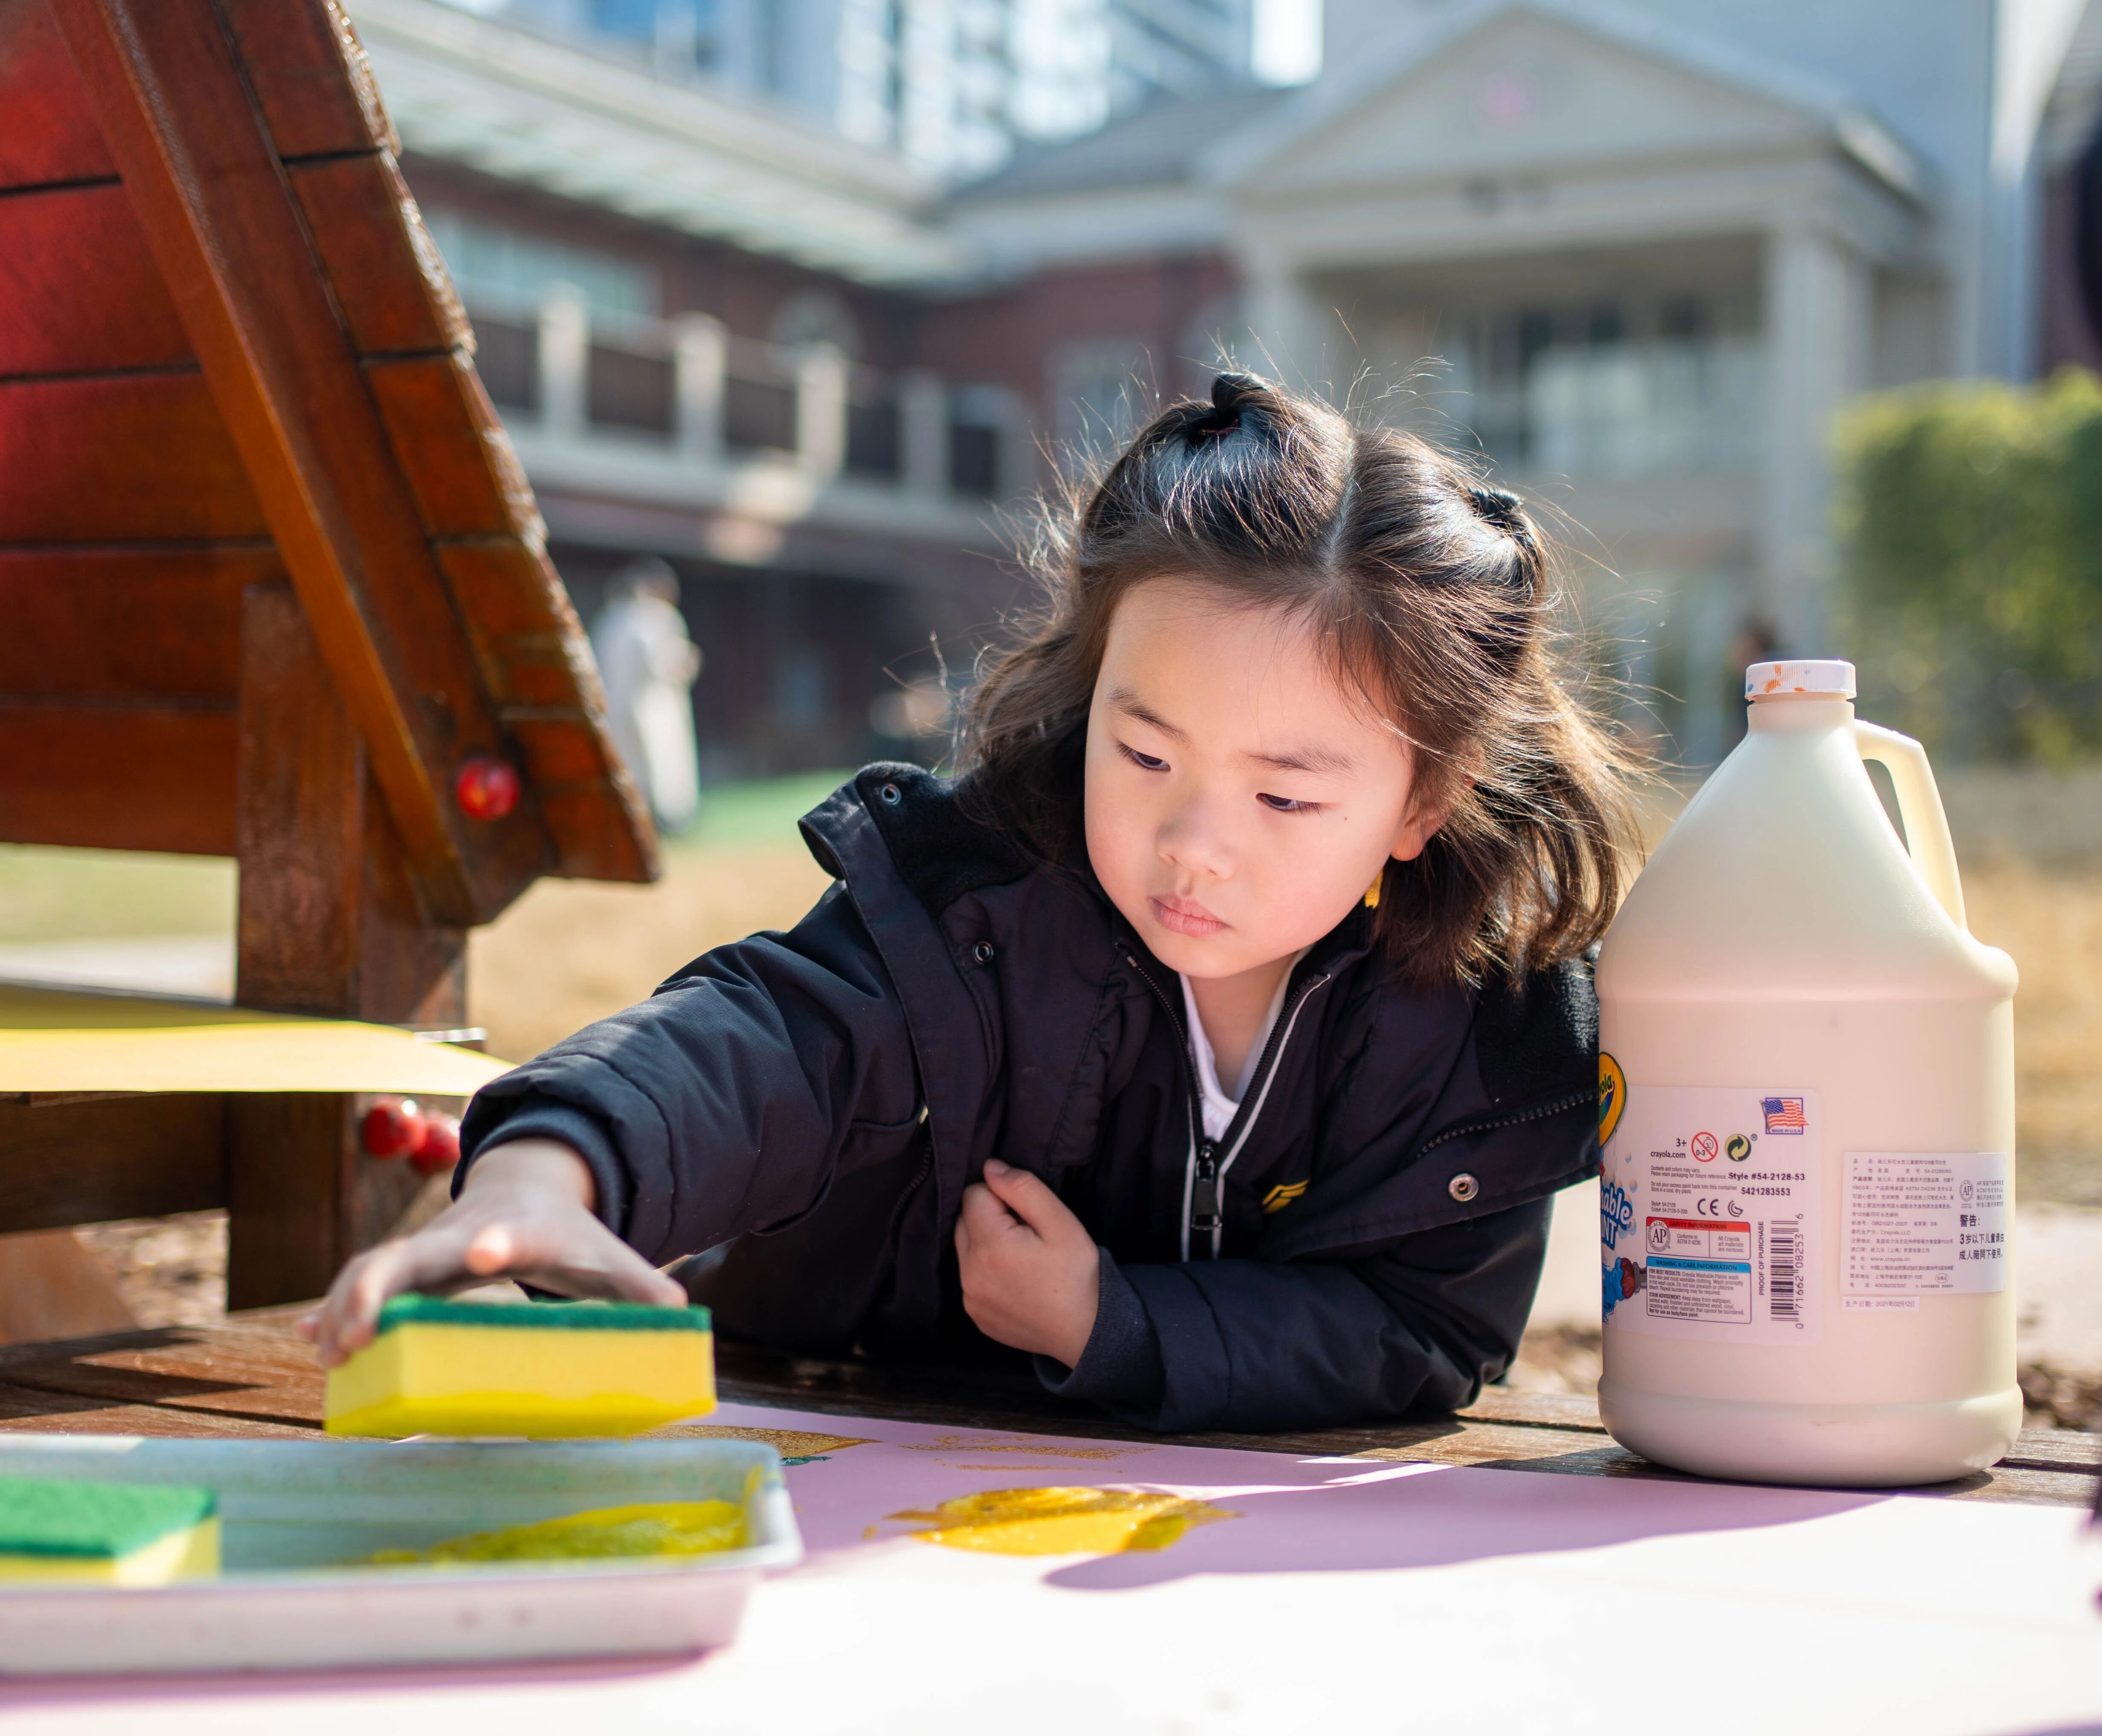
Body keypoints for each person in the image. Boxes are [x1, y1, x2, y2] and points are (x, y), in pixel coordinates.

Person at [308, 373, 1641, 1432]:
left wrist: (1109, 1323)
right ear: (1088, 693)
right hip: (832, 1429)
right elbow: (771, 1039)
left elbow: (1426, 1328)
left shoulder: (1486, 1037)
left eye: (1282, 797)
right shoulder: (979, 906)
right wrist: (549, 1172)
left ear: (1422, 802)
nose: (1192, 847)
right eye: (1143, 755)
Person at [591, 558, 701, 832]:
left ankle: (631, 822)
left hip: (613, 707)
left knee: (627, 769)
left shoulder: (608, 619)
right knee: (660, 768)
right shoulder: (655, 617)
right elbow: (665, 664)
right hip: (651, 709)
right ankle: (665, 822)